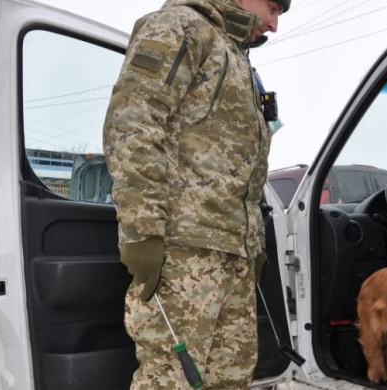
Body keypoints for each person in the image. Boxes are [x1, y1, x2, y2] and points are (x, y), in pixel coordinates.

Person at [103, 0, 289, 388]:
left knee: (231, 379)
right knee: (171, 381)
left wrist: (252, 242)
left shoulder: (236, 56)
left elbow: (240, 168)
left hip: (233, 255)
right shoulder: (181, 26)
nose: (273, 24)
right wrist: (143, 231)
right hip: (184, 252)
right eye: (273, 8)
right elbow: (134, 122)